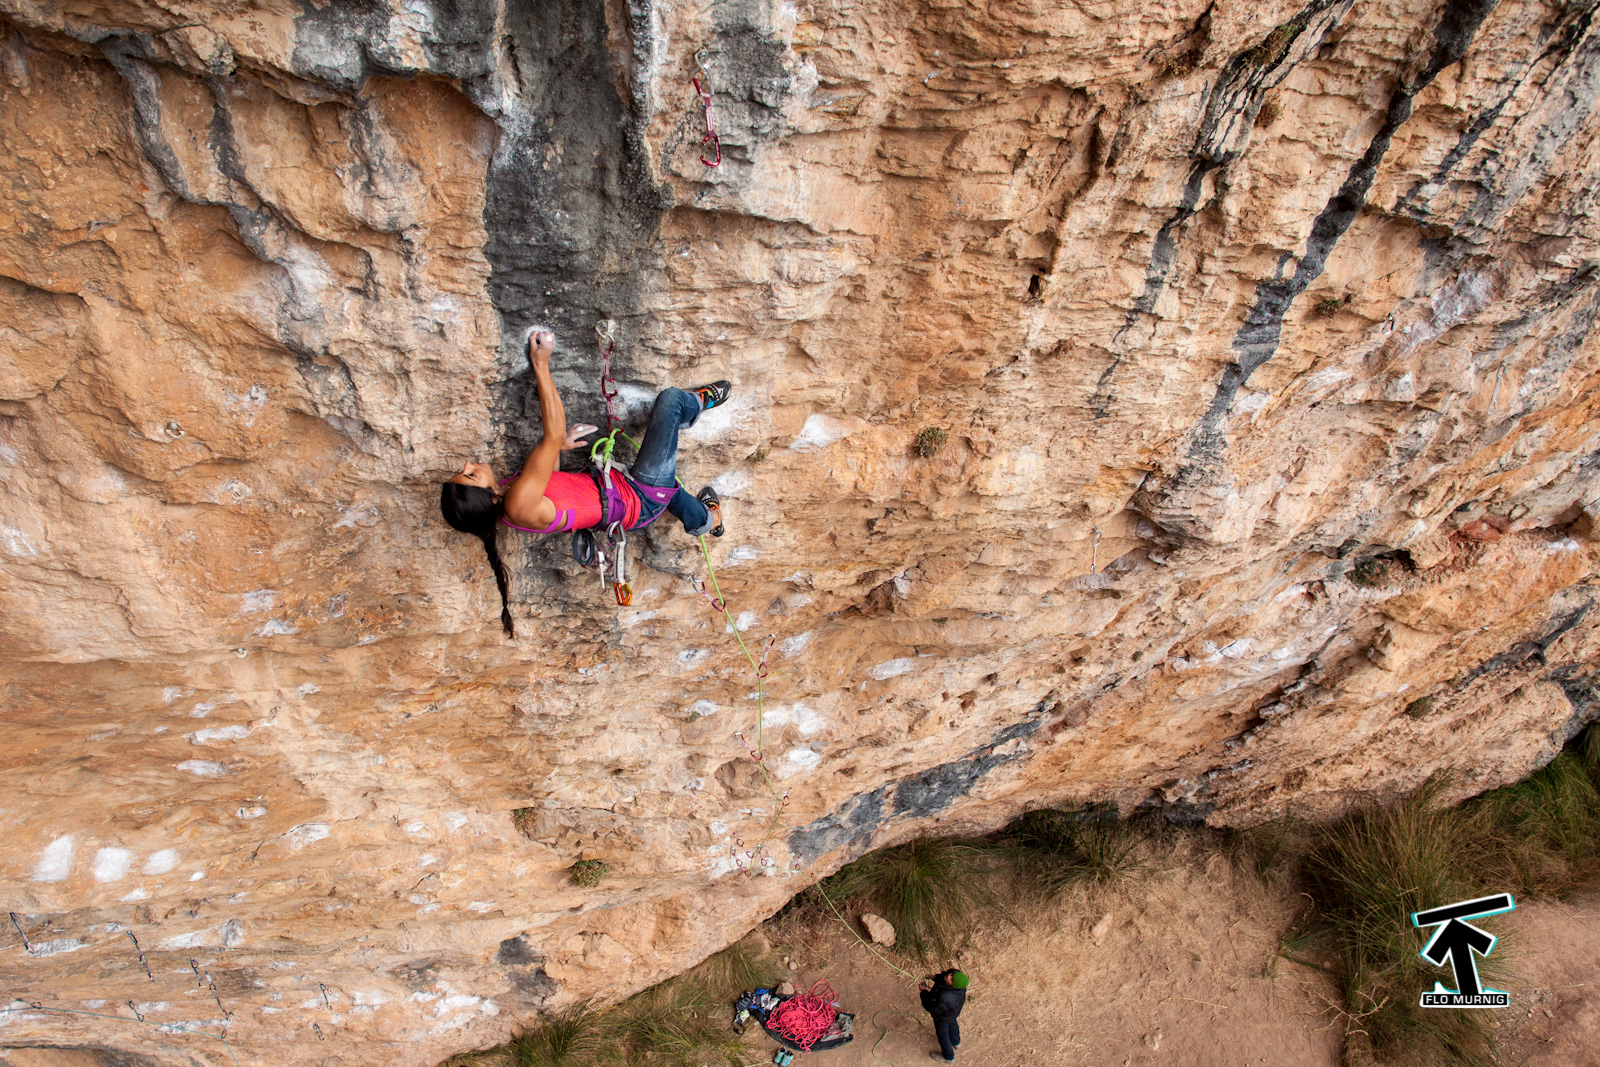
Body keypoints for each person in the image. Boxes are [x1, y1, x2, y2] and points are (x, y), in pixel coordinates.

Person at [440, 329, 731, 636]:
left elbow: (551, 475)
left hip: (623, 492)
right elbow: (551, 433)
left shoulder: (512, 495)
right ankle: (697, 404)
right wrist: (541, 364)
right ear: (487, 496)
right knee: (670, 403)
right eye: (471, 474)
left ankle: (708, 521)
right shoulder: (517, 503)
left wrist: (558, 447)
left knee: (669, 491)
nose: (470, 465)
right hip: (638, 495)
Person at [919, 968, 968, 1061]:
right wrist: (935, 978)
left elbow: (931, 1008)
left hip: (942, 1018)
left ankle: (948, 1057)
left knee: (943, 1035)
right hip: (952, 1013)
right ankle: (956, 1042)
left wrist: (923, 992)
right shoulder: (959, 987)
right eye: (952, 975)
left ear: (954, 985)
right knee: (953, 1024)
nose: (949, 976)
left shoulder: (945, 998)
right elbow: (943, 979)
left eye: (951, 979)